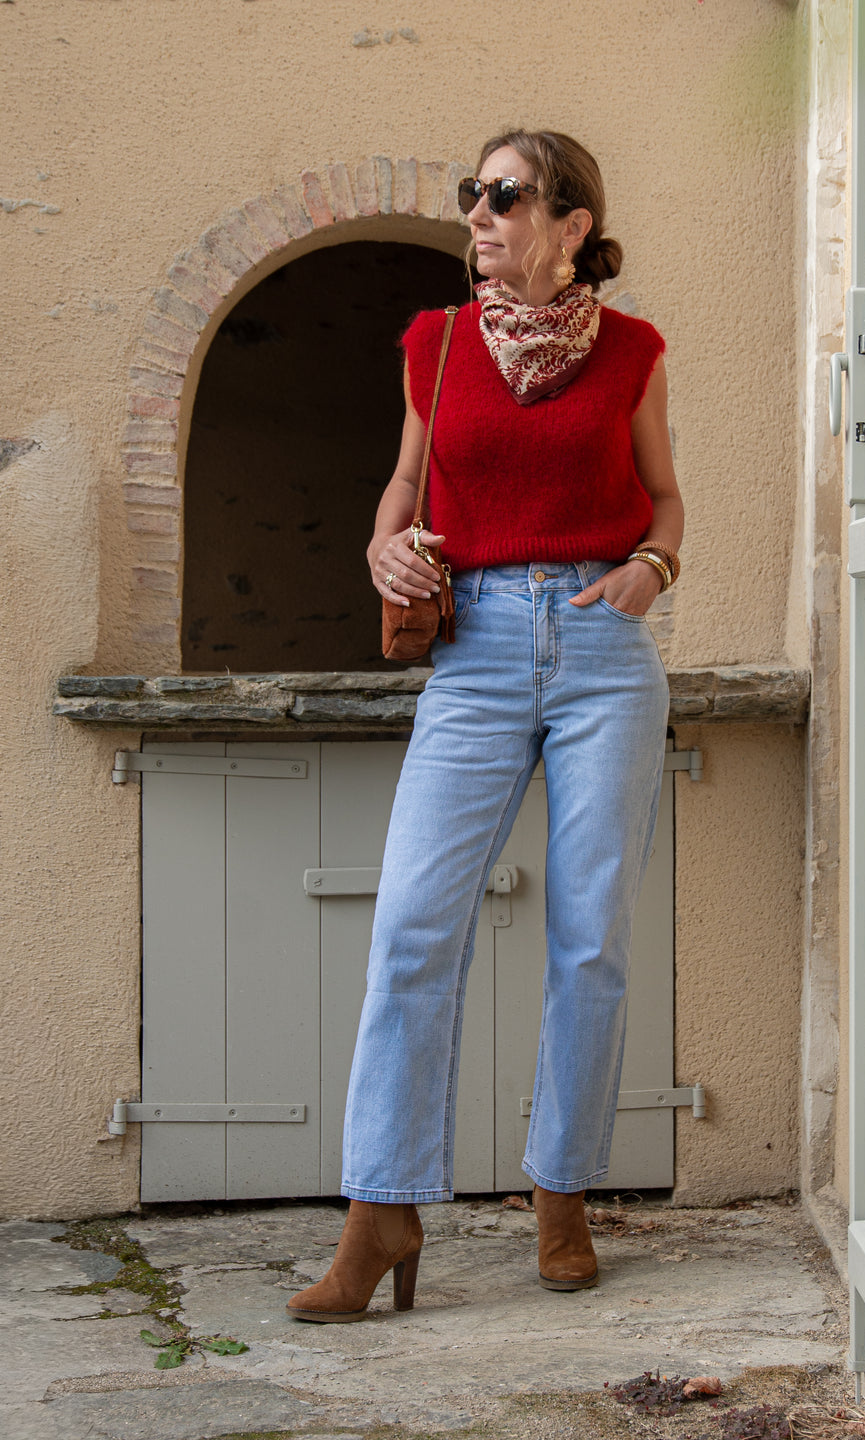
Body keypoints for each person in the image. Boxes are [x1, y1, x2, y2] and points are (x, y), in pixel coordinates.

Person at [287, 129, 684, 1322]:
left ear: (571, 225)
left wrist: (654, 568)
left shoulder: (633, 352)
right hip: (475, 657)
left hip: (604, 649)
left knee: (589, 939)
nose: (479, 214)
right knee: (412, 927)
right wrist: (382, 543)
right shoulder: (441, 342)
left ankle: (562, 1194)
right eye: (475, 193)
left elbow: (665, 497)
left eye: (504, 196)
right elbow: (406, 485)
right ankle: (381, 1211)